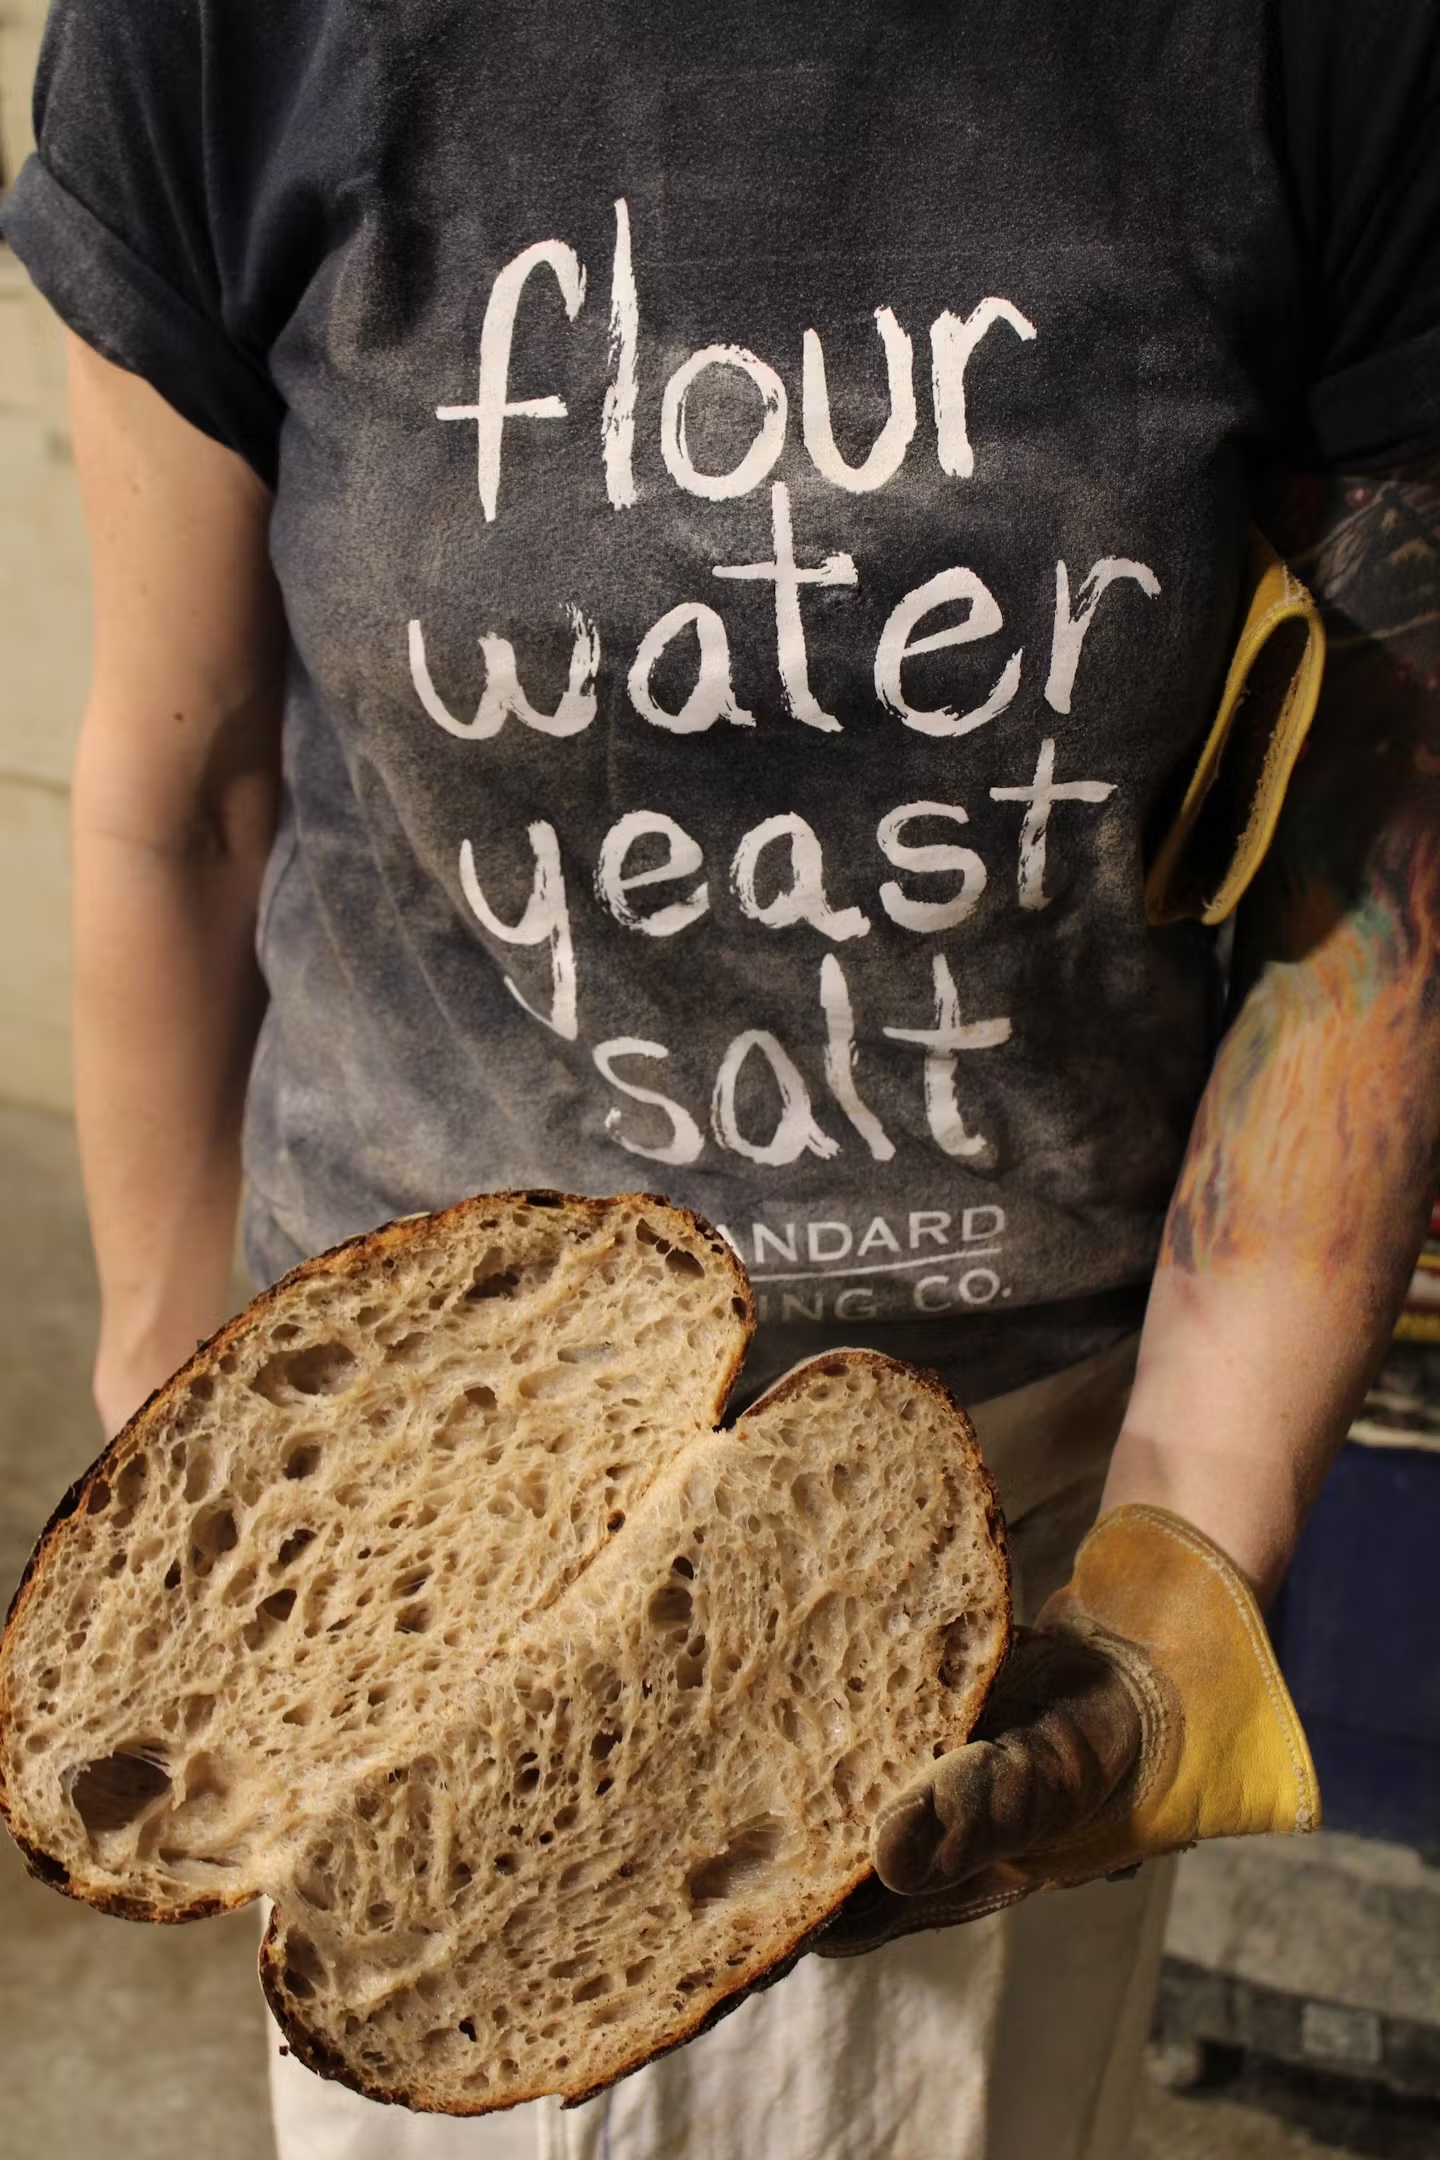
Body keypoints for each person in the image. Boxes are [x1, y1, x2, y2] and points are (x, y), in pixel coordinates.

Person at [4, 1, 1438, 2154]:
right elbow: (181, 793)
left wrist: (1173, 1589)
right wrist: (166, 1409)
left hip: (1004, 1569)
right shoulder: (230, 35)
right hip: (418, 1535)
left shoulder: (1324, 50)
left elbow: (1381, 892)